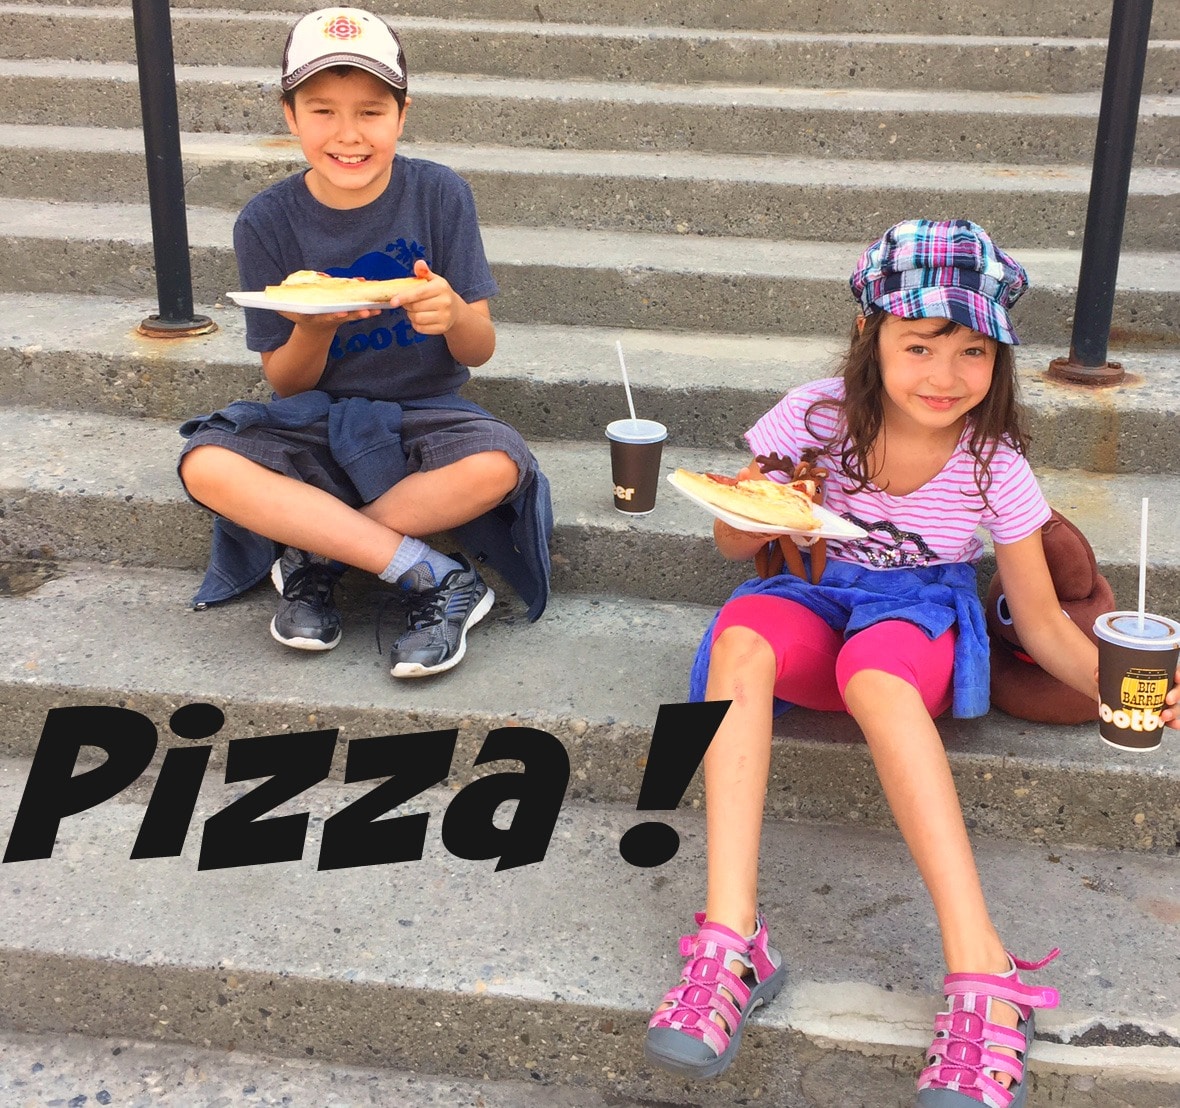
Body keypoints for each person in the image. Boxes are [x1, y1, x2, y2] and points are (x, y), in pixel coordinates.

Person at [643, 219, 1180, 1106]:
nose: (945, 375)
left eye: (972, 351)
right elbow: (731, 539)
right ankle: (732, 939)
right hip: (815, 595)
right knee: (741, 636)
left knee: (878, 676)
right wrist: (783, 500)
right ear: (870, 336)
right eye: (921, 343)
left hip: (916, 614)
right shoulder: (813, 414)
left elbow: (1044, 626)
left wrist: (1130, 690)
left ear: (998, 360)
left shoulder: (993, 462)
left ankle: (985, 971)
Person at [178, 7, 551, 678]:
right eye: (322, 110)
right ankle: (434, 574)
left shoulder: (439, 194)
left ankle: (315, 549)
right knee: (205, 464)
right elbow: (288, 383)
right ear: (290, 116)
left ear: (402, 114)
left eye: (371, 112)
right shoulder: (265, 221)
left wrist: (452, 312)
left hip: (428, 416)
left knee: (497, 466)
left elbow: (479, 348)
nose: (348, 135)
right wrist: (312, 328)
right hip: (312, 420)